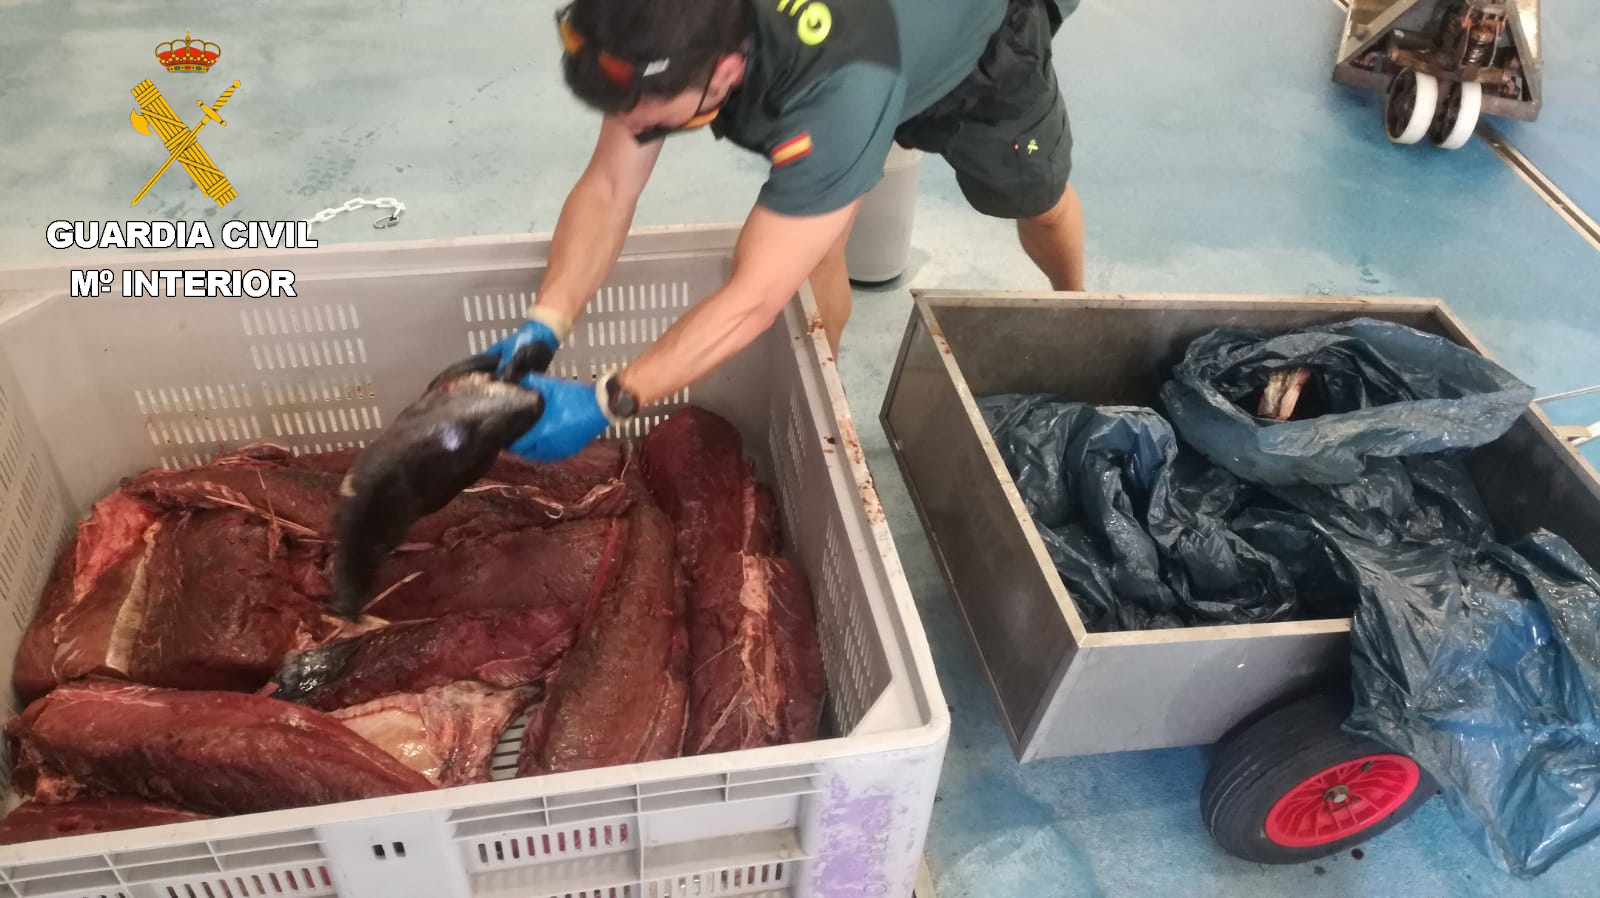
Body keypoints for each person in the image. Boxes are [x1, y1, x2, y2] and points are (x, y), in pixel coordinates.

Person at [451, 0, 1083, 462]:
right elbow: (610, 187)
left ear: (725, 72)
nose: (630, 129)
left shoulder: (836, 97)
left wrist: (608, 400)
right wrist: (548, 320)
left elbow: (753, 298)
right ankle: (825, 392)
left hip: (976, 51)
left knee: (1037, 200)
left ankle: (1078, 307)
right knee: (813, 252)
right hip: (874, 52)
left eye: (648, 119)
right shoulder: (663, 30)